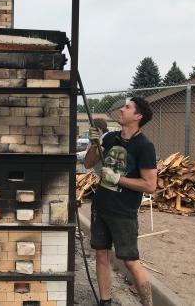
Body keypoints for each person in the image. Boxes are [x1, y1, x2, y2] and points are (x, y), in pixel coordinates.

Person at [84, 97, 157, 306]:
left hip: (124, 212)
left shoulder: (144, 146)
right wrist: (94, 143)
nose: (122, 109)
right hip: (101, 206)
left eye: (127, 107)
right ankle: (104, 301)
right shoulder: (110, 139)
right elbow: (89, 163)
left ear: (138, 116)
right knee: (101, 254)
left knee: (130, 261)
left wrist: (118, 179)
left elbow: (150, 185)